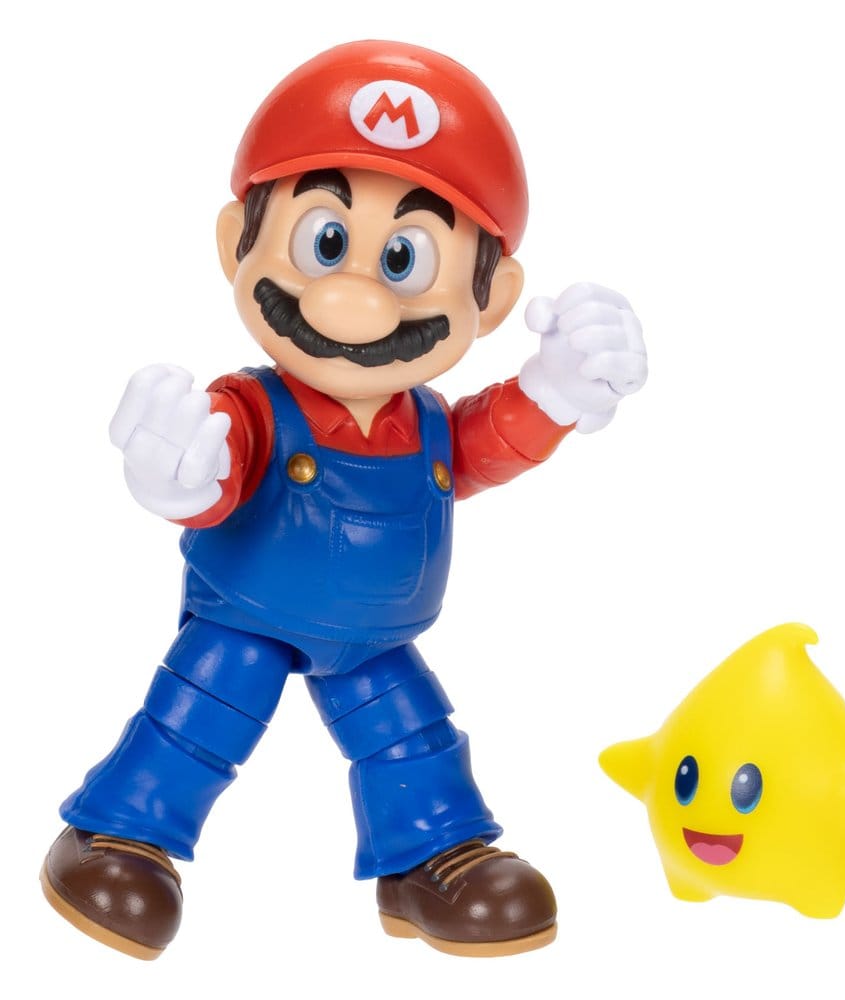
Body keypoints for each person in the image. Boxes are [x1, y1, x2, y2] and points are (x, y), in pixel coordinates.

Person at [41, 40, 647, 959]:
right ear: (235, 243)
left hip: (377, 639)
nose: (356, 298)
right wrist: (176, 476)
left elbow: (487, 442)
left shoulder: (429, 422)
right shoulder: (257, 405)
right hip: (242, 620)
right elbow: (221, 464)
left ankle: (432, 857)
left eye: (403, 257)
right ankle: (122, 833)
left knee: (412, 738)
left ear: (491, 298)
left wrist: (556, 390)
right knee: (198, 718)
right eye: (325, 243)